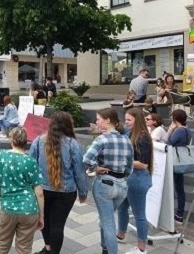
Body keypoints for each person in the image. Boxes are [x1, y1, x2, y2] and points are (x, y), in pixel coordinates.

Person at [29, 111, 88, 254]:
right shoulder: (74, 145)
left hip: (42, 190)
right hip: (66, 192)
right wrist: (83, 192)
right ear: (68, 125)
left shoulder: (38, 140)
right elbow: (79, 172)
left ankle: (48, 248)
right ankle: (50, 250)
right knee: (57, 225)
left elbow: (31, 165)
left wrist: (30, 187)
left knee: (45, 221)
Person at [83, 107, 133, 254]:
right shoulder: (126, 140)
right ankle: (105, 248)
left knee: (109, 223)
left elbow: (86, 159)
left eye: (98, 119)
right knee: (106, 218)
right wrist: (123, 178)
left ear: (108, 121)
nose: (96, 122)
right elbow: (130, 166)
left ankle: (109, 250)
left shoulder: (101, 139)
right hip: (122, 185)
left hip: (105, 184)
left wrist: (95, 168)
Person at [0, 127, 44, 254]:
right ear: (25, 141)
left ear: (11, 140)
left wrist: (3, 196)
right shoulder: (30, 161)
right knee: (24, 247)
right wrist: (41, 216)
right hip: (29, 209)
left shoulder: (2, 156)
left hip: (8, 208)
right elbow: (39, 192)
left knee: (2, 243)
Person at [117, 108, 153, 254]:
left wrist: (123, 161)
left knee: (139, 214)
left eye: (128, 120)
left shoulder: (143, 137)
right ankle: (121, 234)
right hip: (129, 177)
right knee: (122, 207)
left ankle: (141, 248)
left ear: (137, 120)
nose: (126, 123)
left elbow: (143, 164)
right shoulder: (129, 132)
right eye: (125, 119)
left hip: (138, 179)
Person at [166, 109, 191, 224]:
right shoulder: (187, 129)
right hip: (181, 161)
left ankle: (176, 214)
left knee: (175, 188)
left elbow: (168, 143)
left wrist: (170, 129)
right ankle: (179, 214)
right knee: (180, 189)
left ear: (175, 119)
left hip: (174, 161)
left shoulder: (179, 131)